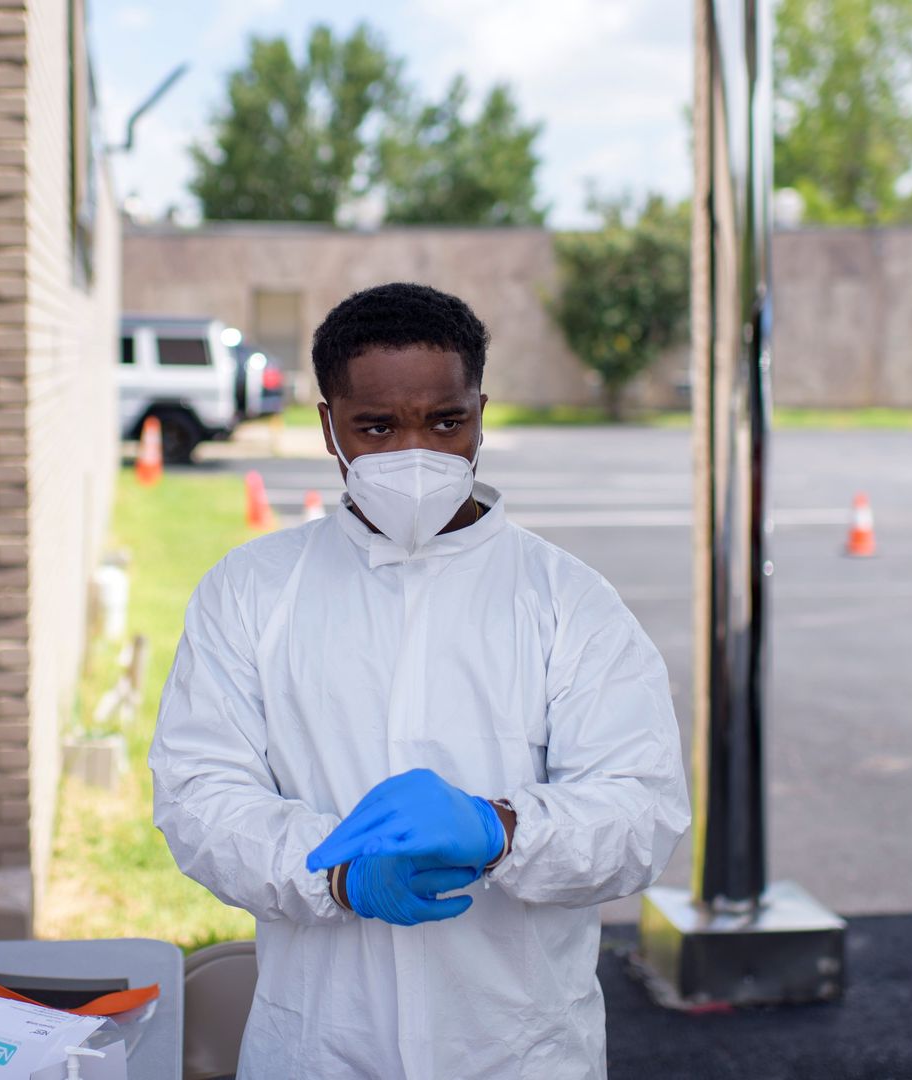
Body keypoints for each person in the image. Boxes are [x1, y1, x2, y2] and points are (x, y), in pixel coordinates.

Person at [149, 282, 690, 1079]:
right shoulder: (254, 590)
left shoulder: (566, 601)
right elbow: (198, 795)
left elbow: (641, 810)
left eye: (446, 421)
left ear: (480, 412)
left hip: (519, 1052)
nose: (416, 453)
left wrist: (500, 828)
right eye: (376, 426)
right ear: (328, 423)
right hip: (320, 1048)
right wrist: (333, 871)